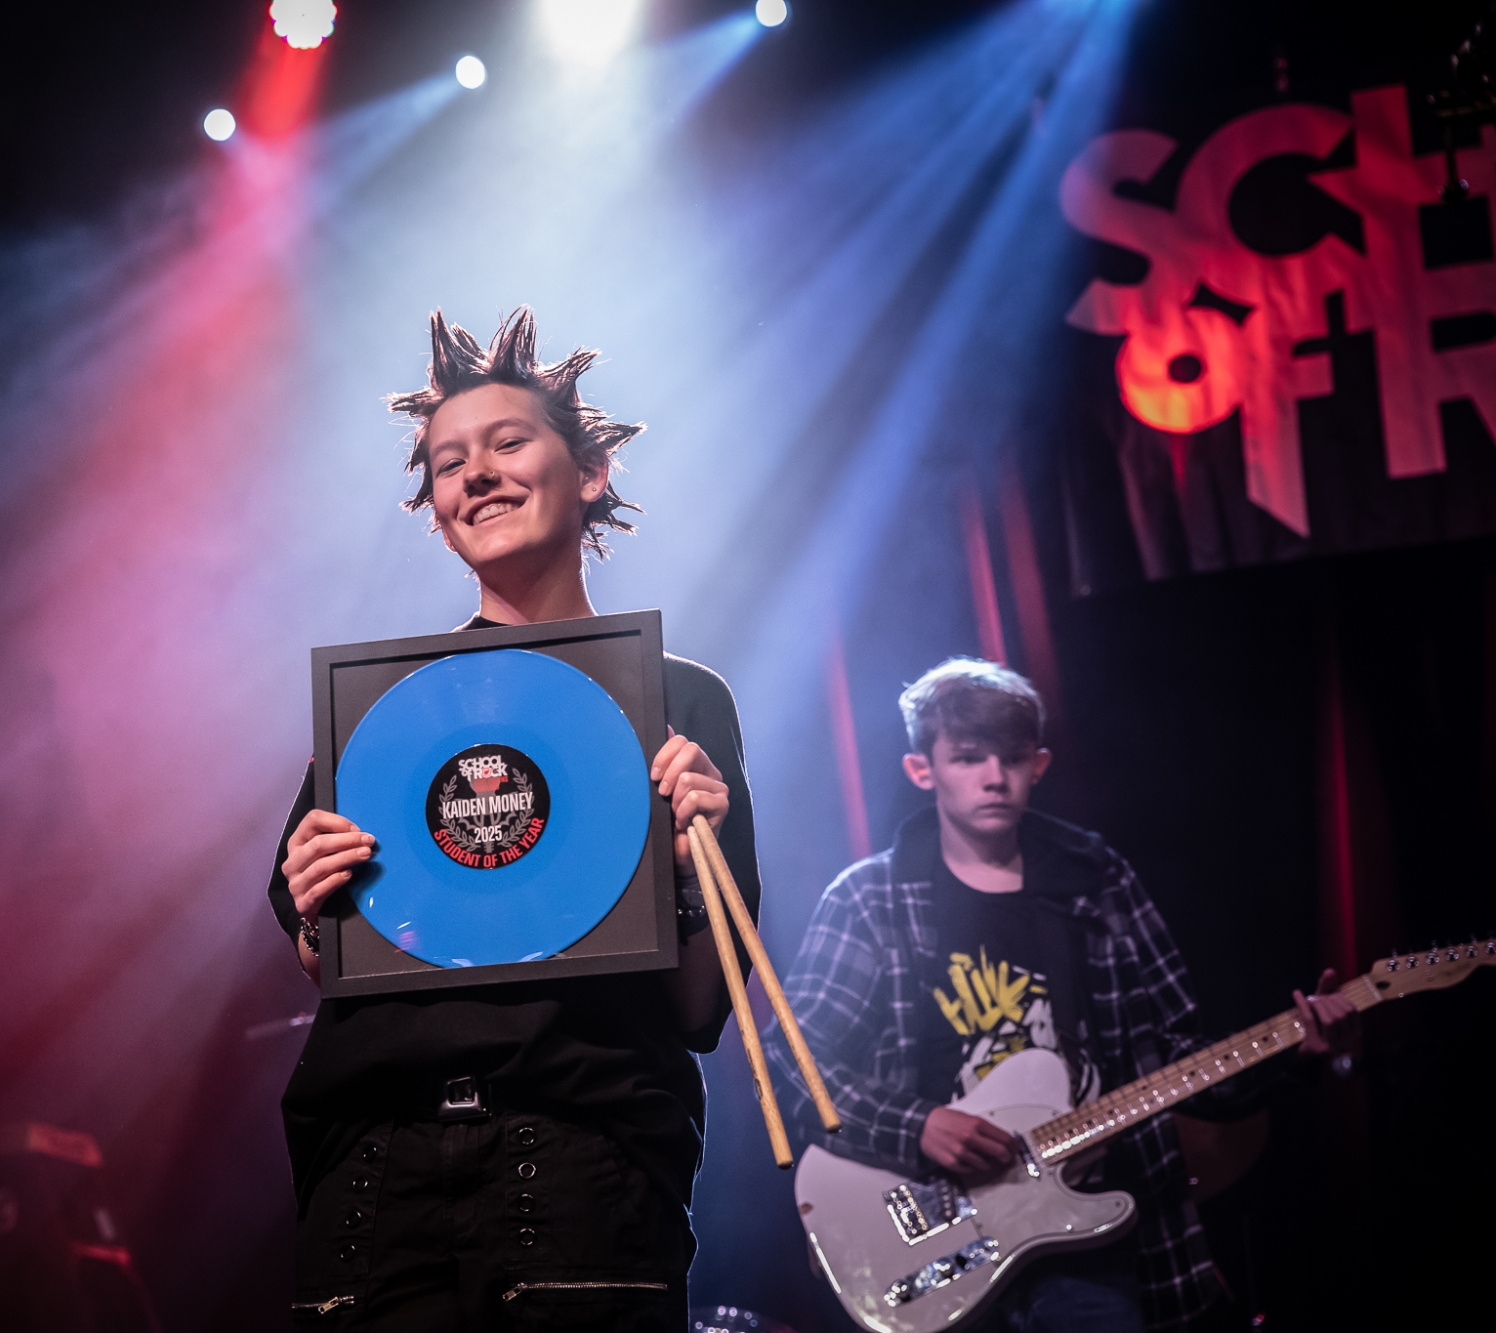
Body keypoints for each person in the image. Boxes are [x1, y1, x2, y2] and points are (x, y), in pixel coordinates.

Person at [268, 308, 762, 1329]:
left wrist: (689, 860)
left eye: (505, 443)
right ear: (436, 506)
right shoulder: (383, 712)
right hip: (372, 1166)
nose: (474, 474)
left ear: (588, 473)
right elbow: (335, 962)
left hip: (579, 1166)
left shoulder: (680, 704)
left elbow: (697, 1011)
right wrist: (320, 904)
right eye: (449, 462)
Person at [766, 658, 1356, 1331]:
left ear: (1038, 764)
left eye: (1012, 757)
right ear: (921, 769)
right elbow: (789, 1063)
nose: (994, 776)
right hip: (933, 1235)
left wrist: (1294, 1053)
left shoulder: (1097, 883)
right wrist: (918, 1126)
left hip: (1088, 1240)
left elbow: (1180, 1059)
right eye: (967, 757)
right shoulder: (869, 899)